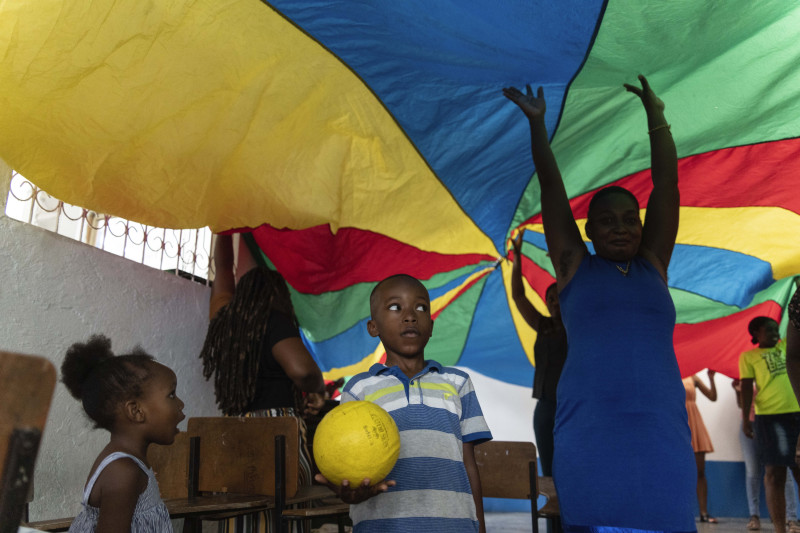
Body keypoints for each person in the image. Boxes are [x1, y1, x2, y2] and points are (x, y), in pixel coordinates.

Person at [503, 75, 695, 531]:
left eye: (631, 219)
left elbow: (667, 184)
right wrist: (537, 126)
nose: (621, 227)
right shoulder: (574, 267)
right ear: (589, 233)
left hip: (661, 423)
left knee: (667, 517)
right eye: (606, 221)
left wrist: (657, 117)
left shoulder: (654, 265)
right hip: (589, 426)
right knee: (595, 518)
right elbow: (552, 189)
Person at [317, 274, 493, 532]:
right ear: (373, 327)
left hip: (453, 525)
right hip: (383, 526)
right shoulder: (359, 389)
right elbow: (347, 459)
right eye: (395, 307)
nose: (410, 316)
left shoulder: (458, 382)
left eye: (420, 307)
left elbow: (469, 463)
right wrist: (349, 493)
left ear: (431, 326)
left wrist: (480, 526)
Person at [199, 233, 325, 532]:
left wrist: (225, 230)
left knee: (241, 517)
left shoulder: (222, 320)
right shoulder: (273, 319)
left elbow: (223, 271)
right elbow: (301, 370)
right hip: (277, 430)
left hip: (234, 431)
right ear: (276, 295)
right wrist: (318, 388)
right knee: (286, 517)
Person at [61, 335, 184, 532]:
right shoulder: (123, 471)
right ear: (136, 411)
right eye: (171, 394)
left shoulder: (131, 463)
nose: (181, 404)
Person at [510, 229, 566, 477]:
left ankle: (572, 517)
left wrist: (558, 259)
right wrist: (518, 257)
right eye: (550, 299)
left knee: (572, 467)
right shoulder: (543, 326)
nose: (555, 303)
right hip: (545, 406)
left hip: (573, 404)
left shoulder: (580, 327)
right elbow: (519, 295)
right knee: (550, 472)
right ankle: (554, 518)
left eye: (559, 298)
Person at [740, 316, 800, 533]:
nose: (775, 333)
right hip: (771, 418)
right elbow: (746, 388)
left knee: (798, 469)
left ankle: (796, 521)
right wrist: (746, 418)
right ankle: (779, 529)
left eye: (777, 329)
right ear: (756, 333)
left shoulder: (786, 347)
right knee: (775, 472)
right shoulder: (748, 357)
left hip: (797, 413)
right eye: (770, 330)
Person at [733, 377, 800, 530]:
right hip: (750, 425)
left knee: (785, 470)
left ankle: (791, 518)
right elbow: (741, 405)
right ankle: (754, 516)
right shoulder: (745, 374)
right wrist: (737, 391)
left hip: (775, 424)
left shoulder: (773, 372)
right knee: (752, 472)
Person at [683, 370, 718, 523]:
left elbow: (712, 397)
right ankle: (681, 512)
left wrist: (711, 378)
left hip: (694, 422)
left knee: (700, 471)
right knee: (676, 472)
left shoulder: (693, 376)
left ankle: (704, 513)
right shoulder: (668, 372)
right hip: (678, 420)